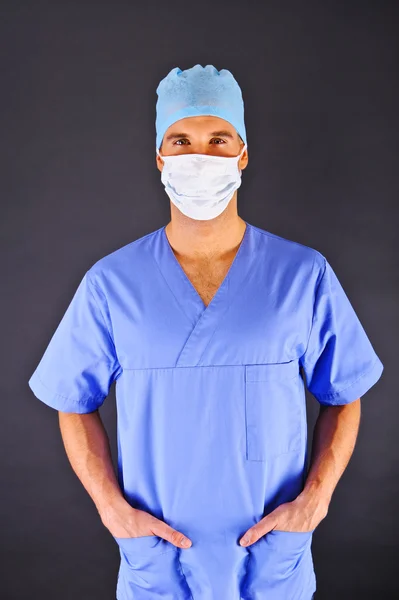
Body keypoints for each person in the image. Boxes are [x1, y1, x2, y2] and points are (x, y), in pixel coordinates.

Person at [28, 64, 384, 600]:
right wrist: (111, 509)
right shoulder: (112, 283)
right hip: (160, 562)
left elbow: (345, 392)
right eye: (181, 140)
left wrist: (317, 498)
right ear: (160, 158)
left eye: (217, 139)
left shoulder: (301, 274)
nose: (200, 156)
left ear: (242, 154)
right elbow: (71, 400)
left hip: (271, 561)